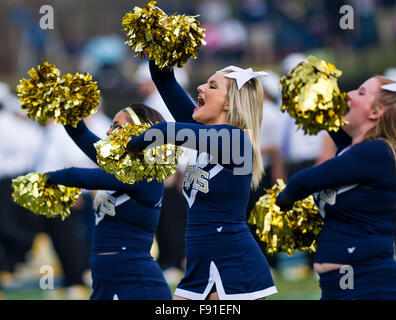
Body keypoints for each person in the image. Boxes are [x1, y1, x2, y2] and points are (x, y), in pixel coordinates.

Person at [126, 60, 277, 300]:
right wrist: (157, 46)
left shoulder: (236, 142)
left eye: (212, 86)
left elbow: (166, 131)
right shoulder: (203, 136)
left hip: (233, 265)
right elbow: (164, 81)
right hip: (200, 266)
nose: (200, 87)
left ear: (230, 103)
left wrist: (130, 147)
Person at [276, 76, 396, 300]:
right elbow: (327, 116)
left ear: (375, 113)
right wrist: (307, 88)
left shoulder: (376, 152)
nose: (349, 94)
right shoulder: (351, 148)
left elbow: (303, 182)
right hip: (344, 284)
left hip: (366, 283)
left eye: (360, 92)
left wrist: (280, 202)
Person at [44, 104, 172, 300]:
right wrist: (65, 104)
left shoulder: (146, 173)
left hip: (137, 282)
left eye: (116, 126)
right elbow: (79, 134)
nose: (108, 131)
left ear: (137, 133)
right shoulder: (118, 165)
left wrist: (44, 179)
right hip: (105, 279)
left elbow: (81, 177)